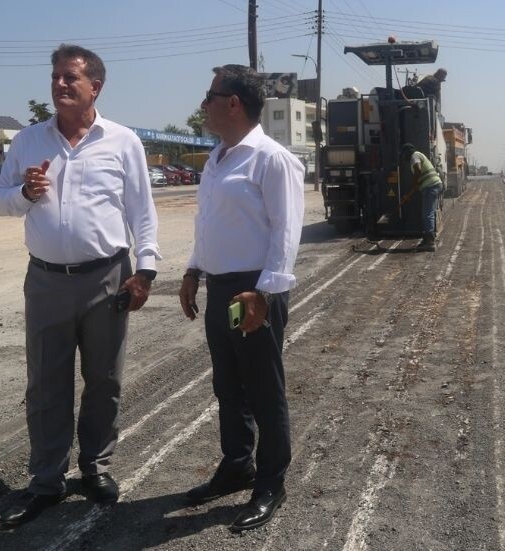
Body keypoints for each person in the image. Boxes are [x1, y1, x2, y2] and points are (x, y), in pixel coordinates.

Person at [0, 43, 161, 529]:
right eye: (56, 77)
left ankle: (95, 467)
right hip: (46, 280)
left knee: (104, 379)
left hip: (107, 277)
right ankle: (45, 481)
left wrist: (145, 271)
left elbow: (142, 213)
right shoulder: (28, 141)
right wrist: (25, 194)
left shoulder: (123, 141)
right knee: (46, 383)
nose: (60, 85)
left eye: (71, 78)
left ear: (95, 87)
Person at [178, 64, 304, 532]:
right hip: (222, 285)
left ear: (233, 103)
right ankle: (237, 464)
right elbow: (210, 224)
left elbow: (286, 231)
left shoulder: (270, 158)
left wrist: (265, 292)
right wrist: (194, 268)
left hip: (255, 289)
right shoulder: (218, 158)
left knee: (264, 390)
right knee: (228, 386)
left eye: (209, 95)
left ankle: (271, 481)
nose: (203, 103)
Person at [402, 143, 443, 251]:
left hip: (431, 187)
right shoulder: (418, 156)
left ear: (407, 152)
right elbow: (419, 181)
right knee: (428, 213)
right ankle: (428, 238)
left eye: (404, 154)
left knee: (427, 214)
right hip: (431, 186)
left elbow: (418, 170)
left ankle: (429, 242)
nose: (404, 157)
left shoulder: (415, 156)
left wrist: (414, 184)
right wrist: (409, 194)